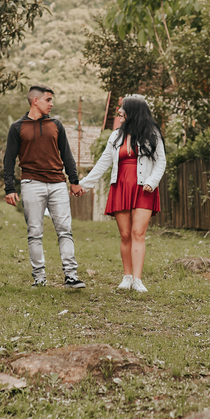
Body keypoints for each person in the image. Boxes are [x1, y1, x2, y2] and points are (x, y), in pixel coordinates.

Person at [2, 86, 87, 289]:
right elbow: (9, 160)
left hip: (57, 184)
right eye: (48, 100)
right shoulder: (17, 127)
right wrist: (9, 188)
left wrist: (74, 181)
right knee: (35, 232)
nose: (51, 104)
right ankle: (39, 278)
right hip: (31, 184)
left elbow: (67, 154)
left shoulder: (56, 125)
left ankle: (71, 276)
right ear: (35, 101)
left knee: (65, 230)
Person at [82, 95, 166, 293]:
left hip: (144, 188)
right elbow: (103, 163)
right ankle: (126, 277)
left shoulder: (152, 133)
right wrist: (83, 185)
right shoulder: (115, 136)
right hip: (121, 187)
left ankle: (137, 280)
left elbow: (160, 161)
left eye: (122, 108)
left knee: (138, 233)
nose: (119, 111)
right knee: (126, 234)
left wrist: (152, 182)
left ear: (133, 111)